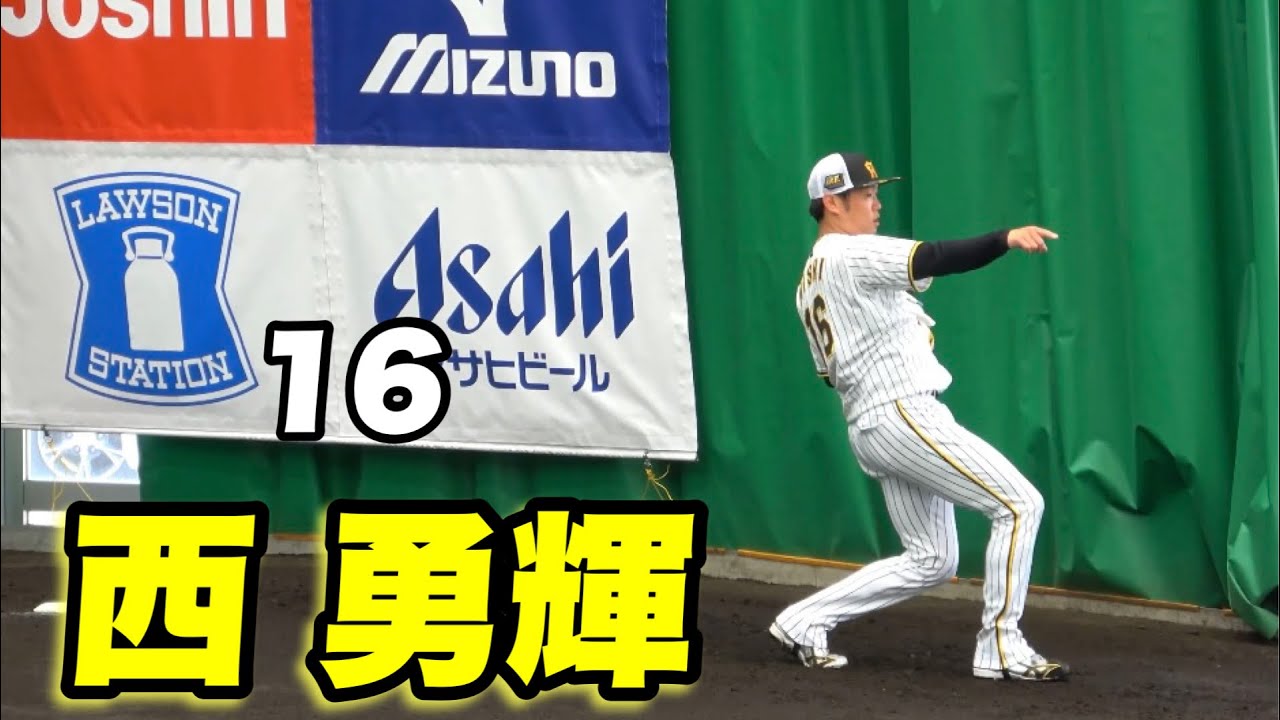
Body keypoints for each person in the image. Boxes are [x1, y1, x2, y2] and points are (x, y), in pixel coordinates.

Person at [769, 151, 1069, 682]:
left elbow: (829, 374)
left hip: (873, 422)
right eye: (866, 195)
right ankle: (1000, 645)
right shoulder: (848, 253)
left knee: (932, 559)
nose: (876, 204)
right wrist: (1004, 238)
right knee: (1020, 504)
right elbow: (932, 257)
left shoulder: (808, 282)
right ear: (832, 203)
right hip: (902, 412)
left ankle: (802, 620)